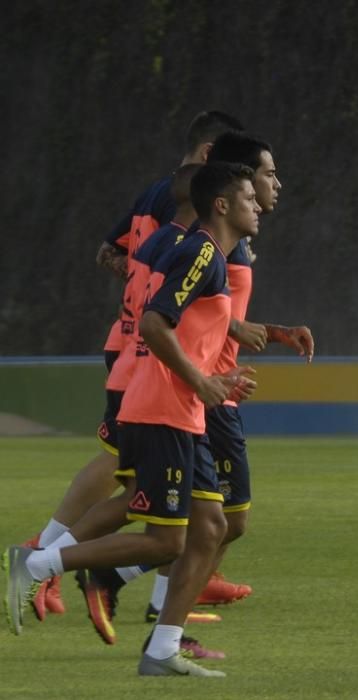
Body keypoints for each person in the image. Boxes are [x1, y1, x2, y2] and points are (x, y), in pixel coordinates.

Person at [4, 161, 262, 678]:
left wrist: (220, 380)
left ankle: (162, 650)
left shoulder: (196, 251)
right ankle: (37, 563)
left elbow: (189, 328)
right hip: (161, 411)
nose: (258, 205)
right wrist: (202, 382)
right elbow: (154, 322)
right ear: (223, 205)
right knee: (167, 538)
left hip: (182, 411)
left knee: (210, 527)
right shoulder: (203, 252)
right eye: (250, 197)